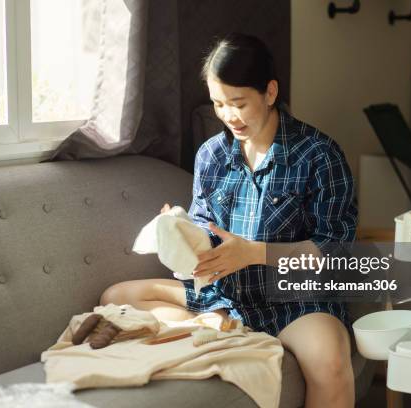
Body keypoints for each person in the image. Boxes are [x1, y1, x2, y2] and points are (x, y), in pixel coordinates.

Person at [100, 33, 358, 408]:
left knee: (331, 360)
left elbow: (334, 251)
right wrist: (181, 228)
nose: (228, 116)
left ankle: (220, 332)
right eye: (219, 104)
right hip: (226, 296)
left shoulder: (319, 155)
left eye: (239, 103)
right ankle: (221, 326)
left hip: (294, 303)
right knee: (118, 297)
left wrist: (255, 253)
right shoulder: (211, 155)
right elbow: (205, 228)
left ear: (270, 93)